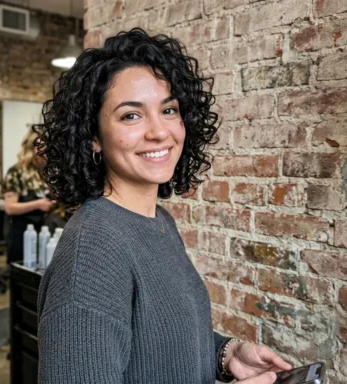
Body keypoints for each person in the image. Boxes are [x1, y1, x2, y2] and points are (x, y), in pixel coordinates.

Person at [35, 29, 293, 384]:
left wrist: (225, 354)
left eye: (168, 109)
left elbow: (156, 343)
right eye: (131, 116)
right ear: (93, 137)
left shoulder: (158, 222)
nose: (159, 132)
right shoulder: (92, 249)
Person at [3, 130, 68, 264]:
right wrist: (38, 204)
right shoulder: (16, 172)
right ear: (30, 148)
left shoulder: (46, 172)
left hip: (45, 233)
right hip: (22, 234)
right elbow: (10, 208)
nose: (45, 152)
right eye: (41, 147)